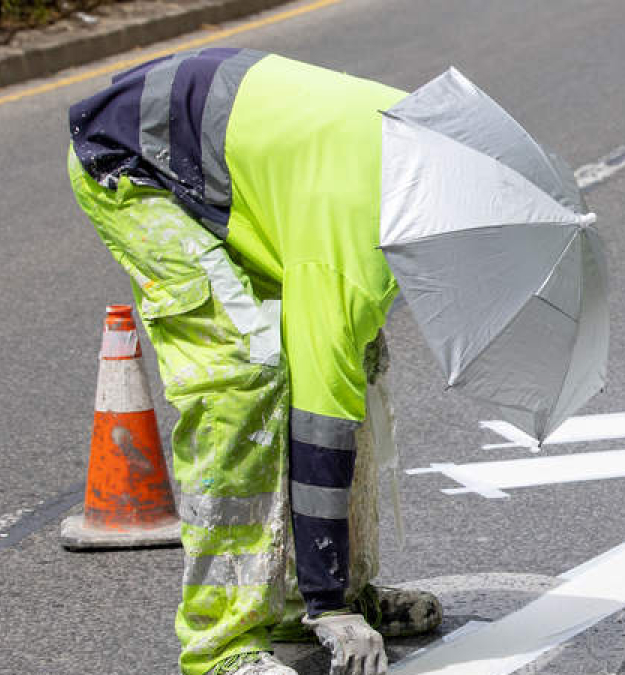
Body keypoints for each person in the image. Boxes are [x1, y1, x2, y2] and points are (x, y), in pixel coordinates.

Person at [67, 48, 442, 675]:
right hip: (137, 164)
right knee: (246, 376)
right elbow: (322, 420)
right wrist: (330, 604)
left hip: (247, 173)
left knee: (363, 360)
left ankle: (328, 596)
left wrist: (333, 592)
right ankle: (220, 641)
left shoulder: (420, 163)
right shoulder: (352, 248)